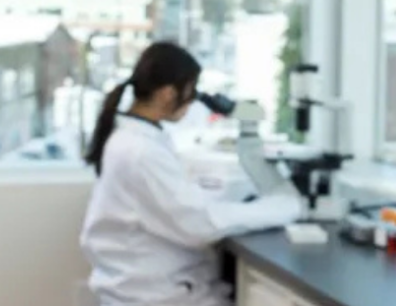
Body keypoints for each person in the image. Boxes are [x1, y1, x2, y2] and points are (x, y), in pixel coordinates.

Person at [80, 42, 300, 306]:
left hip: (145, 284)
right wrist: (279, 209)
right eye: (190, 90)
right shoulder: (141, 151)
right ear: (167, 94)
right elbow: (196, 224)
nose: (193, 99)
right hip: (155, 294)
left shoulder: (133, 138)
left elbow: (179, 206)